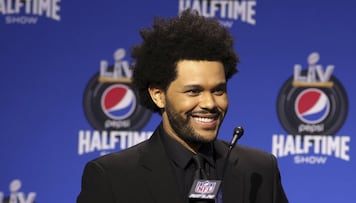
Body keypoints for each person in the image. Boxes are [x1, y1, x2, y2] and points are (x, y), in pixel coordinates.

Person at [77, 9, 288, 203]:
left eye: (218, 90)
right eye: (193, 91)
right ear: (158, 95)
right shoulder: (111, 177)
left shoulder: (260, 170)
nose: (209, 103)